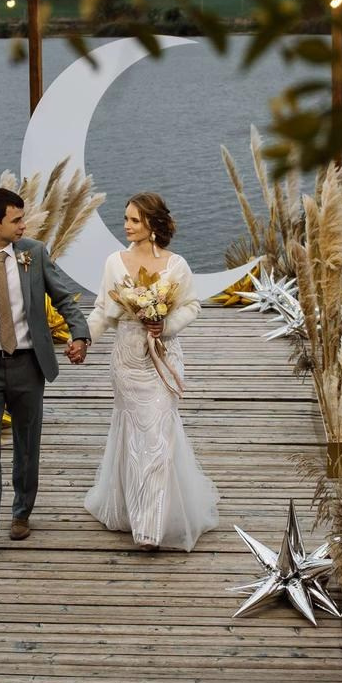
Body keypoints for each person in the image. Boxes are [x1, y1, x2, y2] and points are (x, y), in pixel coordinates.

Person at [0, 187, 93, 559]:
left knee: (27, 445)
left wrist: (81, 334)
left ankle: (21, 513)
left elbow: (62, 295)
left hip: (28, 364)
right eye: (17, 220)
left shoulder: (34, 254)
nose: (24, 225)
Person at [82, 192, 219, 551]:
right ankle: (131, 506)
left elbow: (192, 305)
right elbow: (102, 311)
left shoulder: (177, 266)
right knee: (134, 434)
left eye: (134, 220)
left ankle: (149, 527)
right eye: (125, 218)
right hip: (128, 358)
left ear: (153, 225)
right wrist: (82, 340)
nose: (126, 225)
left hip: (162, 357)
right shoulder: (114, 262)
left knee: (156, 438)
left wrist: (166, 325)